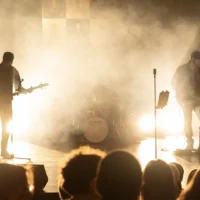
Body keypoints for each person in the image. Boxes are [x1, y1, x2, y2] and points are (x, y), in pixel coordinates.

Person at [172, 50, 200, 150]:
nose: (199, 62)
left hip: (197, 100)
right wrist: (181, 97)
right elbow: (174, 83)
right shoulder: (181, 69)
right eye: (198, 60)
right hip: (186, 99)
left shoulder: (199, 70)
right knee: (187, 121)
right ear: (192, 59)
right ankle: (189, 142)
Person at [0, 52, 23, 158]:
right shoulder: (13, 70)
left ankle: (4, 150)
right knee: (6, 127)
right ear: (12, 60)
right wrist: (25, 90)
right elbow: (19, 88)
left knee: (6, 127)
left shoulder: (12, 70)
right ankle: (3, 151)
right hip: (6, 103)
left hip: (6, 103)